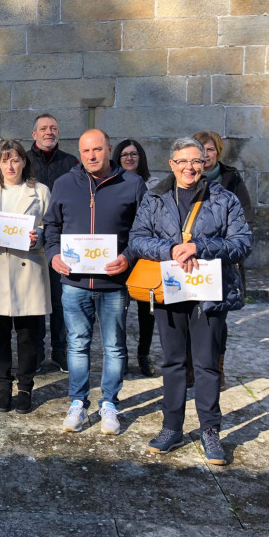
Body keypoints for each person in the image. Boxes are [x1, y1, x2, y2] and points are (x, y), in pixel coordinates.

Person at [129, 137, 252, 466]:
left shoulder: (223, 199)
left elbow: (242, 243)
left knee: (207, 364)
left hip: (209, 293)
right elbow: (138, 239)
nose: (189, 167)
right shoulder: (155, 198)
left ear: (205, 163)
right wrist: (169, 250)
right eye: (182, 161)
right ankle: (172, 427)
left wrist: (200, 247)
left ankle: (210, 430)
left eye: (196, 161)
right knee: (172, 362)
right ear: (171, 164)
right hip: (170, 290)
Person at [44, 129, 146, 435]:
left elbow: (144, 230)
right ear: (80, 152)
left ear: (109, 149)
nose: (91, 155)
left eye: (97, 150)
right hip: (74, 283)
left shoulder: (132, 184)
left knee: (114, 346)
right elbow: (51, 226)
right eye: (86, 150)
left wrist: (128, 256)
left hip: (114, 284)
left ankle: (110, 403)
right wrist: (53, 254)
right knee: (77, 344)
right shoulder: (64, 184)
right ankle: (78, 402)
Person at [0, 141, 51, 413]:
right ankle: (4, 386)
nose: (10, 166)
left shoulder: (39, 191)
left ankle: (25, 387)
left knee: (28, 337)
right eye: (5, 161)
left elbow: (52, 228)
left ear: (24, 161)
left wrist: (39, 236)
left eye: (15, 160)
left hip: (28, 271)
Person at [194, 130, 254, 390]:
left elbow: (245, 220)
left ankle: (217, 366)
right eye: (201, 150)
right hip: (190, 260)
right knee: (188, 315)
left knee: (217, 320)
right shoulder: (185, 177)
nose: (205, 155)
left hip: (221, 262)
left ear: (217, 152)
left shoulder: (231, 179)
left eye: (210, 150)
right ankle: (189, 366)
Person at [27, 113, 77, 373]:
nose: (49, 132)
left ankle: (60, 350)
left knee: (60, 300)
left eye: (54, 128)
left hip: (62, 241)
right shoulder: (22, 162)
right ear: (34, 134)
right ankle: (35, 351)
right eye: (44, 128)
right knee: (35, 298)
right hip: (30, 242)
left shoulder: (71, 162)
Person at [112, 139, 160, 377]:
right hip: (120, 251)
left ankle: (144, 352)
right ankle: (121, 355)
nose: (129, 158)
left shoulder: (154, 185)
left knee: (146, 308)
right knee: (118, 306)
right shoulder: (113, 183)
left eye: (134, 154)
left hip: (145, 255)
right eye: (124, 155)